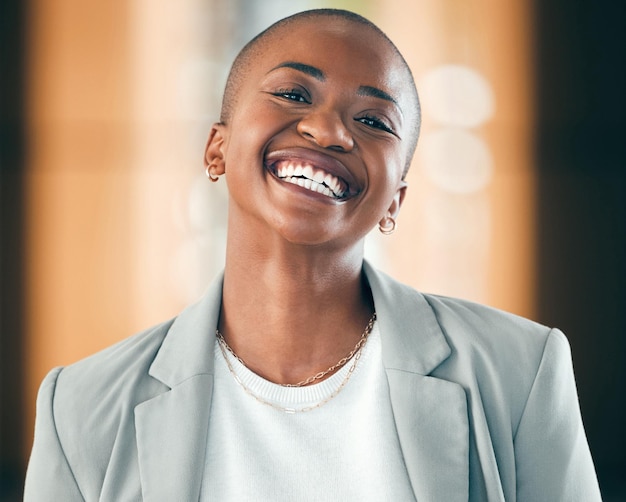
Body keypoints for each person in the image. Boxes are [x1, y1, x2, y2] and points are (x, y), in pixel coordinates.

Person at [24, 8, 601, 501]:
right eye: (293, 93)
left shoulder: (522, 371)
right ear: (217, 148)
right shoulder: (78, 408)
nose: (328, 131)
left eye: (373, 121)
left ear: (395, 200)